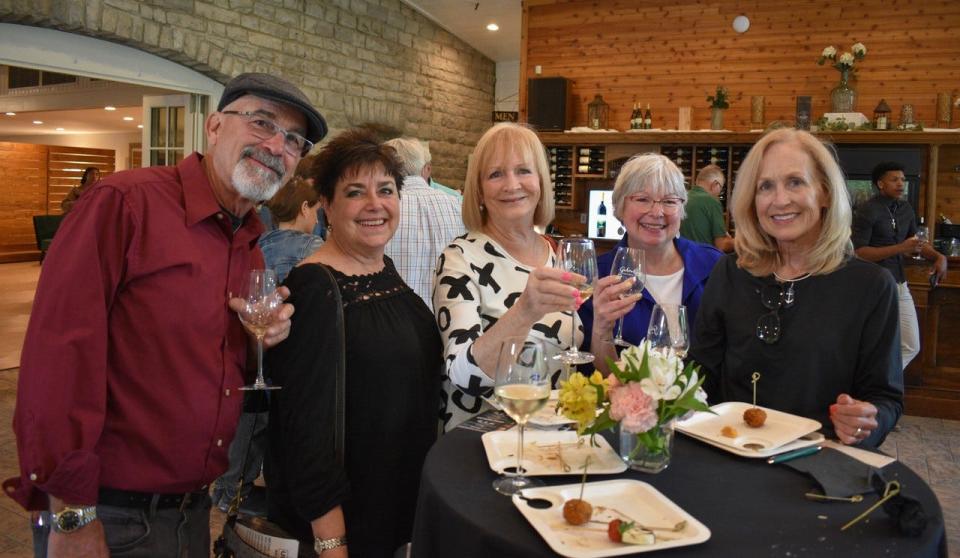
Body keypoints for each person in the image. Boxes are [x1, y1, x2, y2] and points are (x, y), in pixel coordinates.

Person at [8, 72, 325, 556]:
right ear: (215, 126)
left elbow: (203, 362)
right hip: (108, 514)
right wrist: (73, 515)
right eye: (262, 123)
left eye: (294, 140)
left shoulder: (248, 243)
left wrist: (258, 341)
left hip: (187, 513)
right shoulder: (125, 204)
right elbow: (58, 364)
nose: (277, 146)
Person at [263, 128, 441, 558]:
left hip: (394, 509)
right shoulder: (314, 288)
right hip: (348, 526)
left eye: (386, 190)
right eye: (355, 192)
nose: (375, 205)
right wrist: (332, 543)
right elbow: (307, 430)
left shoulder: (383, 269)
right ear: (325, 204)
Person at [690, 128, 904, 448]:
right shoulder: (730, 272)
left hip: (820, 465)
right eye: (765, 186)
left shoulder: (871, 286)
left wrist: (865, 419)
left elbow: (886, 398)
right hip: (730, 456)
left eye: (795, 182)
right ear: (752, 199)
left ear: (825, 193)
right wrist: (655, 387)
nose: (780, 200)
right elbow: (700, 370)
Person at [433, 122, 585, 431]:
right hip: (485, 444)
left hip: (555, 437)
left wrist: (605, 326)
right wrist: (525, 311)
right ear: (479, 190)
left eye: (523, 171)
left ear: (541, 181)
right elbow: (463, 375)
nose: (511, 184)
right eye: (496, 174)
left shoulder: (555, 253)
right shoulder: (460, 258)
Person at [211, 176, 326, 515]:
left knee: (250, 418)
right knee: (272, 424)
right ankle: (244, 494)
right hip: (289, 347)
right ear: (305, 208)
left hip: (252, 346)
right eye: (316, 210)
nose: (317, 218)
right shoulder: (313, 249)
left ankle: (230, 488)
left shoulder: (258, 241)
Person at [580, 153, 723, 374]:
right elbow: (601, 379)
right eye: (642, 199)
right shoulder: (597, 277)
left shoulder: (714, 266)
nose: (657, 212)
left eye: (669, 201)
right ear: (620, 207)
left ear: (681, 208)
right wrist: (602, 330)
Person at [851, 161, 948, 369]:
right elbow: (859, 253)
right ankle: (872, 390)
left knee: (911, 345)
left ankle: (878, 384)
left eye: (903, 179)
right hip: (871, 287)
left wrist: (939, 257)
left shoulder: (906, 209)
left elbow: (917, 244)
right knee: (872, 345)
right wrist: (900, 248)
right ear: (880, 184)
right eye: (894, 179)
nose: (901, 184)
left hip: (900, 283)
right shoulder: (867, 211)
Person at [384, 137, 465, 309]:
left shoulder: (380, 210)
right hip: (448, 317)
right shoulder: (458, 206)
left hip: (393, 316)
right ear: (424, 168)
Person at [680, 164, 735, 252]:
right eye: (721, 188)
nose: (719, 193)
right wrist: (739, 242)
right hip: (704, 260)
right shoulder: (712, 202)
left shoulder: (681, 199)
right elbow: (721, 245)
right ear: (715, 184)